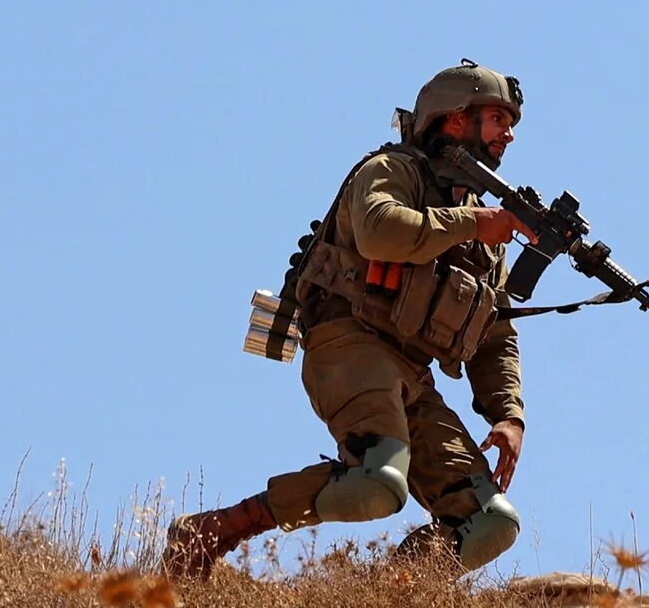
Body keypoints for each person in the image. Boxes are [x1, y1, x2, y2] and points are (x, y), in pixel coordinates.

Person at [163, 61, 538, 580]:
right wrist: (472, 223)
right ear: (455, 120)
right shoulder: (393, 170)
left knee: (491, 522)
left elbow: (494, 330)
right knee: (376, 484)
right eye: (498, 118)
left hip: (412, 374)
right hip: (350, 342)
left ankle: (392, 590)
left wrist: (509, 414)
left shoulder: (485, 228)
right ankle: (213, 531)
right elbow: (381, 230)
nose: (510, 134)